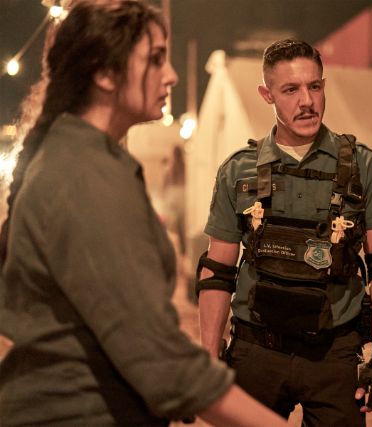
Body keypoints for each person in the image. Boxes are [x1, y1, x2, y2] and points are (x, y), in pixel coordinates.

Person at [0, 2, 287, 426]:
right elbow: (159, 358)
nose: (171, 75)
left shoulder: (80, 158)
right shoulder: (84, 175)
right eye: (155, 59)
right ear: (104, 72)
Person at [197, 39, 372, 426]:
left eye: (314, 86)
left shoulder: (363, 166)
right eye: (291, 89)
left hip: (333, 356)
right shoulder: (237, 171)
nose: (307, 101)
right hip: (256, 352)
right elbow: (217, 271)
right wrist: (209, 355)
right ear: (267, 95)